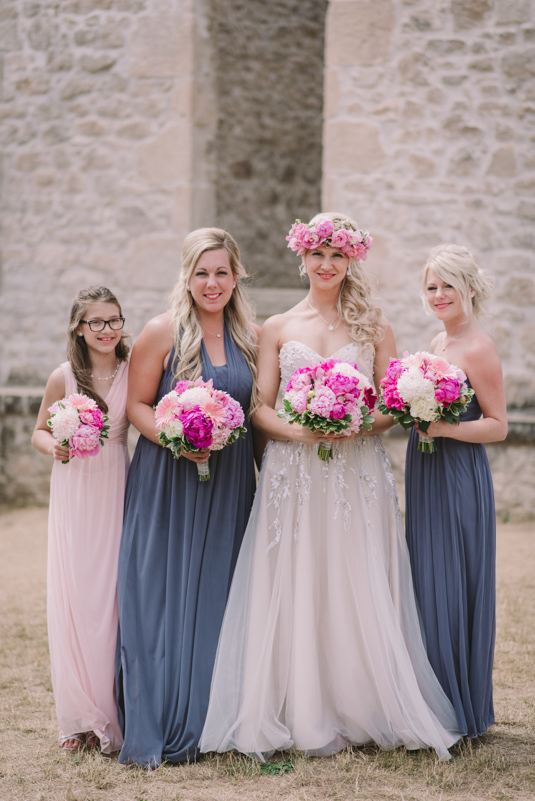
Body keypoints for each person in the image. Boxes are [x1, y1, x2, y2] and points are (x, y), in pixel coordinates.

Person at [199, 213, 461, 762]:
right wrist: (302, 430)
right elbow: (259, 408)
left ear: (350, 260)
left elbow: (392, 404)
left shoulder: (374, 326)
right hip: (293, 472)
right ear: (303, 258)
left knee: (351, 572)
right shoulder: (277, 326)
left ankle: (358, 702)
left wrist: (354, 424)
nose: (326, 264)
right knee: (300, 573)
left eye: (336, 255)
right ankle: (302, 705)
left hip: (355, 470)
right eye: (317, 254)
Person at [116, 227, 260, 768]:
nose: (212, 282)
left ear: (236, 276)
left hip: (230, 483)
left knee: (222, 592)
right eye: (202, 272)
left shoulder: (251, 336)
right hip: (168, 479)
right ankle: (165, 712)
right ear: (187, 276)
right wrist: (177, 439)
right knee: (163, 590)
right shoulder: (162, 332)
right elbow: (136, 406)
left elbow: (257, 414)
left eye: (221, 271)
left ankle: (214, 717)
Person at [405, 243, 507, 738]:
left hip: (458, 472)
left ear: (469, 288)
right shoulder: (437, 341)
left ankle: (459, 706)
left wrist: (445, 429)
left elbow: (498, 425)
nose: (439, 294)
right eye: (432, 286)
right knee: (426, 577)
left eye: (448, 285)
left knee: (454, 578)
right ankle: (432, 701)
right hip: (425, 471)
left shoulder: (478, 347)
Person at [31, 286, 130, 752]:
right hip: (75, 487)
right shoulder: (64, 376)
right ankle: (79, 717)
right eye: (97, 322)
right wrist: (55, 446)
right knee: (77, 596)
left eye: (114, 320)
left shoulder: (134, 368)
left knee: (112, 598)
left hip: (119, 485)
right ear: (79, 328)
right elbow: (39, 431)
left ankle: (112, 709)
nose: (107, 330)